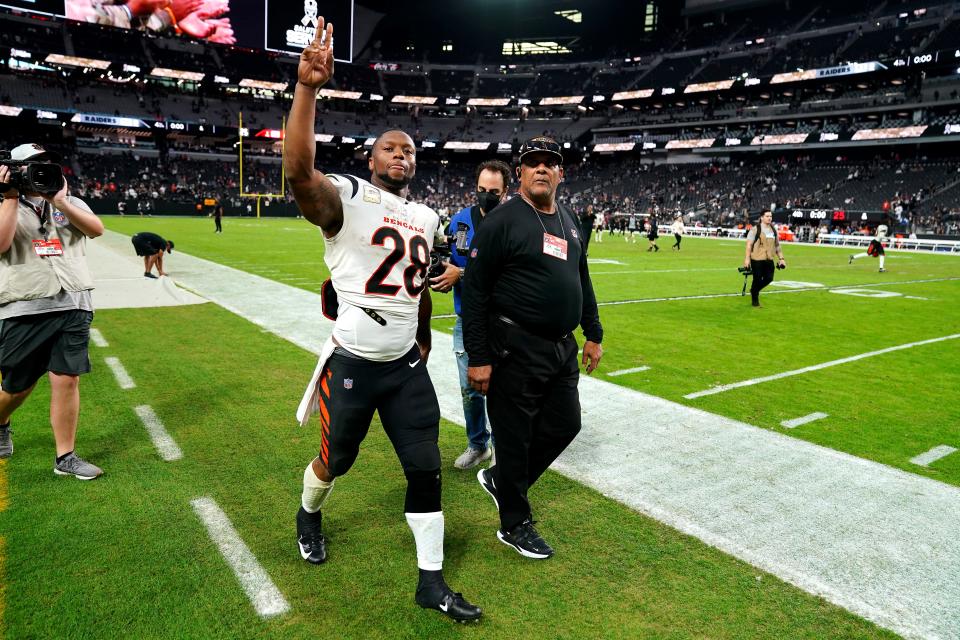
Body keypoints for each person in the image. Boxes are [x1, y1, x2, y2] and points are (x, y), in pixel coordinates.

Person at [284, 18, 481, 622]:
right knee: (335, 460)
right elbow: (298, 174)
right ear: (372, 159)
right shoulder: (347, 195)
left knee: (425, 468)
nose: (403, 154)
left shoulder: (425, 215)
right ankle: (308, 514)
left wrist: (426, 327)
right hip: (352, 362)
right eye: (392, 148)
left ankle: (430, 581)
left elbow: (421, 287)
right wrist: (308, 91)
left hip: (403, 367)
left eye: (411, 150)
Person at [463, 136, 604, 560]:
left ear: (561, 173)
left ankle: (501, 479)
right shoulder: (502, 221)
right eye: (533, 163)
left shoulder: (570, 219)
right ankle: (514, 524)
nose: (541, 169)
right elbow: (475, 293)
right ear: (520, 173)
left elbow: (582, 278)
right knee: (514, 437)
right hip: (513, 347)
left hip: (561, 347)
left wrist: (593, 332)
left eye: (550, 163)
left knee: (565, 425)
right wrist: (480, 357)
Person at [0, 143, 105, 479]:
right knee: (17, 385)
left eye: (46, 163)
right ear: (15, 169)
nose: (42, 169)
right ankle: (1, 421)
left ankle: (66, 457)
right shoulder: (4, 203)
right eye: (33, 165)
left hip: (73, 301)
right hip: (24, 305)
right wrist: (11, 198)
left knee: (67, 378)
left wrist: (59, 202)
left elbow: (95, 229)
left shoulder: (69, 201)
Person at [429, 160, 511, 470]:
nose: (485, 196)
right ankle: (479, 444)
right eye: (481, 190)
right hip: (468, 321)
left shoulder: (513, 222)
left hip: (504, 322)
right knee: (470, 389)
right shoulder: (461, 220)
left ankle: (507, 450)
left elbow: (508, 274)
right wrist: (439, 272)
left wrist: (459, 274)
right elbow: (448, 258)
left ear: (505, 192)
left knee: (504, 391)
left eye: (493, 191)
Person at [743, 210, 786, 307]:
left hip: (769, 259)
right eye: (767, 216)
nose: (769, 218)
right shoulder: (755, 229)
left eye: (770, 216)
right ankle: (755, 302)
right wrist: (747, 259)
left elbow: (777, 246)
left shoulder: (774, 230)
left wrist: (781, 258)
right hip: (757, 259)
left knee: (769, 278)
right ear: (762, 217)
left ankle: (754, 290)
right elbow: (749, 245)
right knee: (757, 280)